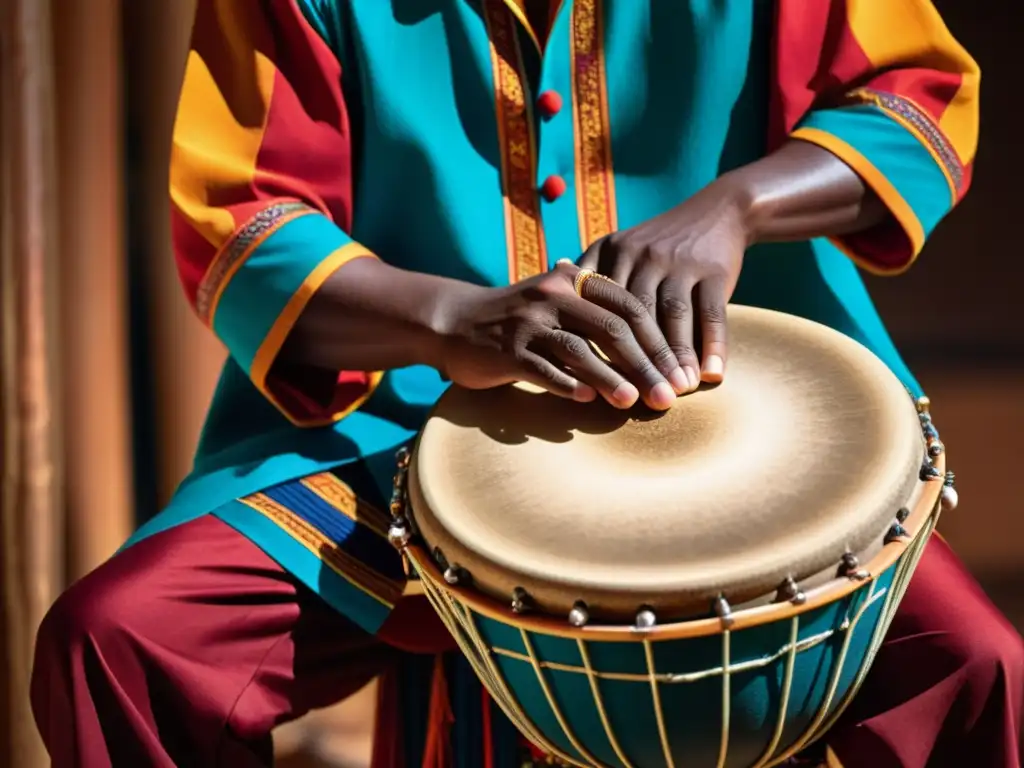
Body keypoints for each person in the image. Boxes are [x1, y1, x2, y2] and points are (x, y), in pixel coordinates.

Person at [30, 0, 1022, 766]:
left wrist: (733, 207)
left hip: (756, 426)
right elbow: (236, 226)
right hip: (403, 433)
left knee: (977, 673)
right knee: (120, 639)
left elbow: (918, 98)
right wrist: (450, 320)